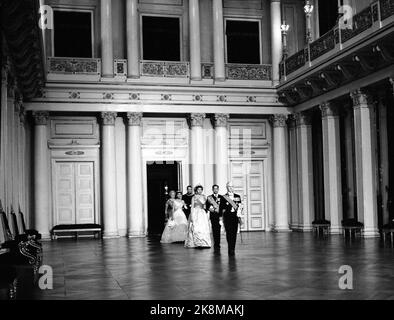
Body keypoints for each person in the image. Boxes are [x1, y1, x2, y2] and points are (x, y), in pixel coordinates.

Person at [220, 182, 242, 256]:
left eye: (232, 186)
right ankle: (230, 248)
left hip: (235, 217)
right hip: (227, 217)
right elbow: (221, 208)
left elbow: (240, 206)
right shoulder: (224, 197)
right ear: (227, 187)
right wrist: (221, 218)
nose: (231, 188)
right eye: (229, 187)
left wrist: (239, 213)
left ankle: (233, 248)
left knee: (234, 233)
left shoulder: (237, 196)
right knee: (229, 233)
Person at [207, 185, 224, 252]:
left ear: (218, 189)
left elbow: (222, 206)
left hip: (219, 216)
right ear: (212, 189)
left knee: (218, 230)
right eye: (214, 189)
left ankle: (218, 243)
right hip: (213, 215)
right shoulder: (209, 197)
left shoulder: (221, 197)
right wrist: (209, 209)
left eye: (217, 189)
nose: (215, 190)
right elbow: (207, 206)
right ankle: (215, 243)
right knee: (214, 230)